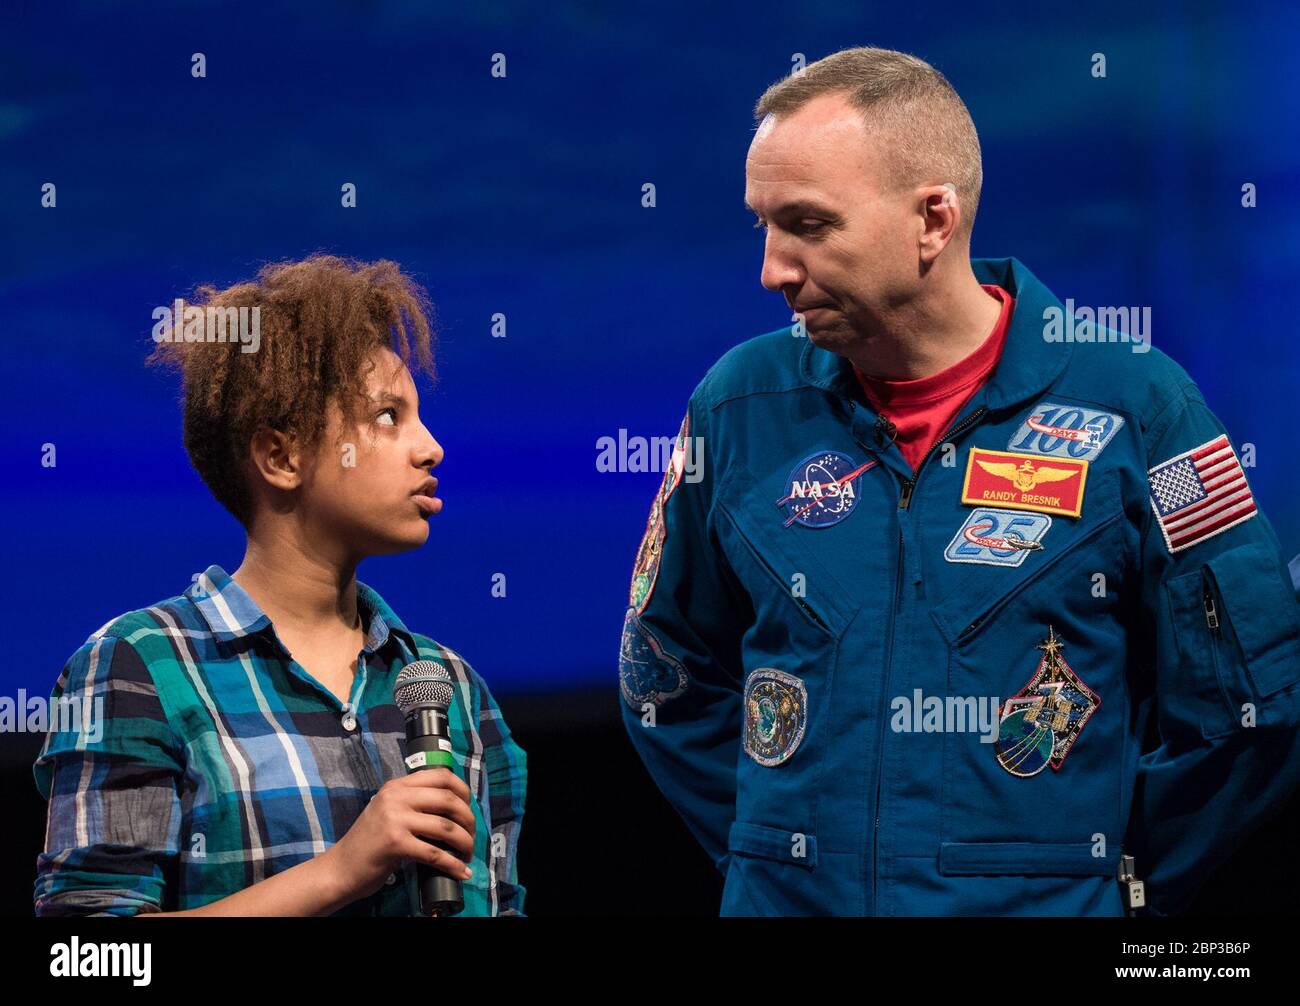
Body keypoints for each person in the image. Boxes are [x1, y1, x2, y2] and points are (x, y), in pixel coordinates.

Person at [619, 47, 1300, 916]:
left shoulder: (1139, 407)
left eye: (810, 225)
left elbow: (1251, 704)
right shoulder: (740, 404)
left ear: (933, 220)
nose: (774, 270)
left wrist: (1097, 881)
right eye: (764, 226)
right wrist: (776, 857)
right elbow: (660, 673)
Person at [33, 255, 526, 917]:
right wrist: (342, 870)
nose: (430, 447)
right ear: (281, 456)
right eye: (387, 417)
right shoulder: (140, 667)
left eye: (418, 417)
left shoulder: (453, 689)